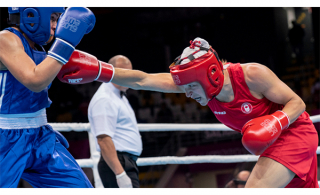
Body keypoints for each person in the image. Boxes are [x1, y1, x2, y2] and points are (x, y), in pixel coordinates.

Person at [57, 37, 319, 188]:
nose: (188, 95)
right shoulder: (195, 85)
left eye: (192, 88)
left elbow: (297, 103)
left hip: (294, 134)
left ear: (209, 76)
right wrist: (102, 71)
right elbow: (143, 79)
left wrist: (275, 122)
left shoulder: (252, 74)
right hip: (270, 146)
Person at [0, 7, 95, 188]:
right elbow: (35, 80)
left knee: (79, 187)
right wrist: (66, 43)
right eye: (52, 18)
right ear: (31, 15)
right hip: (6, 137)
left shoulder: (39, 48)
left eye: (58, 19)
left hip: (40, 135)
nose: (55, 26)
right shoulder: (6, 38)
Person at [88, 55, 142, 188]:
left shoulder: (119, 95)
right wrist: (120, 174)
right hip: (116, 164)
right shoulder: (105, 99)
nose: (129, 77)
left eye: (130, 72)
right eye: (125, 73)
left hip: (125, 162)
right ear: (112, 71)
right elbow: (103, 139)